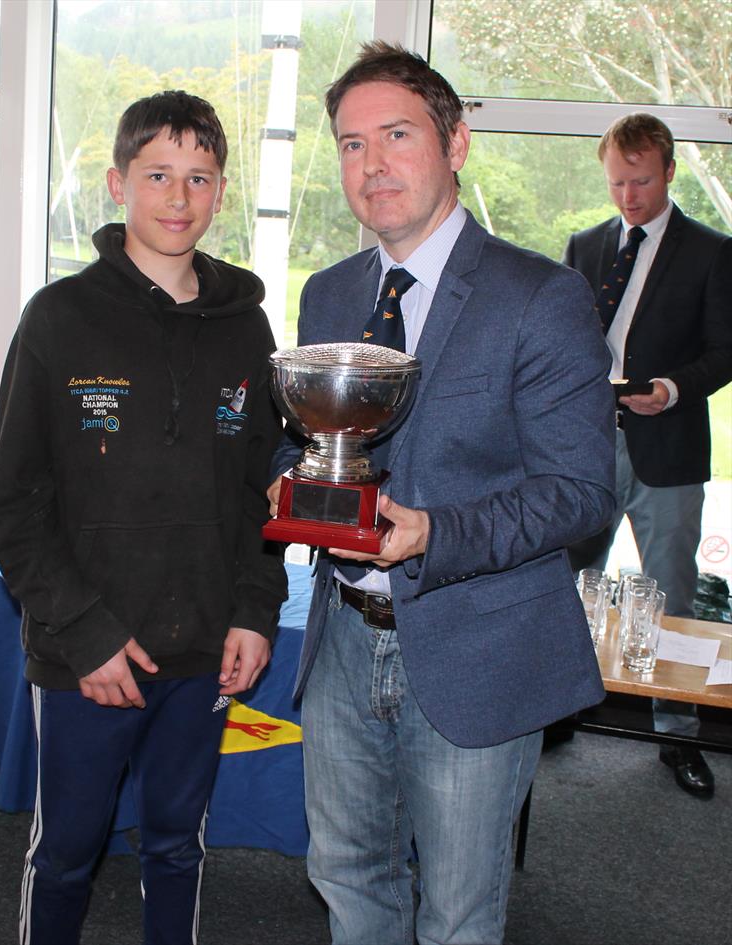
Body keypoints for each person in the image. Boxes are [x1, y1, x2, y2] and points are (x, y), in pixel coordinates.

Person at [269, 42, 614, 945]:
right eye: (349, 144)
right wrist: (285, 476)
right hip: (342, 636)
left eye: (396, 134)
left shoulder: (542, 295)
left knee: (458, 913)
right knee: (347, 878)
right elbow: (311, 441)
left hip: (477, 642)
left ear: (456, 142)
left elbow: (581, 493)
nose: (371, 163)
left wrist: (432, 533)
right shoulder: (330, 293)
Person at [0, 90, 287, 945]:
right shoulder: (58, 319)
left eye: (198, 177)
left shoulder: (248, 328)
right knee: (69, 849)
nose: (178, 197)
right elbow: (14, 503)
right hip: (87, 654)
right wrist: (83, 633)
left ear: (222, 192)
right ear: (119, 185)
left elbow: (262, 495)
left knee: (177, 845)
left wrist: (254, 612)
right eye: (158, 175)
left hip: (204, 652)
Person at [565, 113, 732, 800]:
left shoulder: (712, 252)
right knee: (571, 582)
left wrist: (669, 388)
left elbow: (725, 351)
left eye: (639, 181)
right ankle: (559, 707)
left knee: (670, 594)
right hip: (587, 442)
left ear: (667, 171)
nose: (628, 197)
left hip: (667, 447)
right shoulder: (584, 245)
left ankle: (677, 734)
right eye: (616, 183)